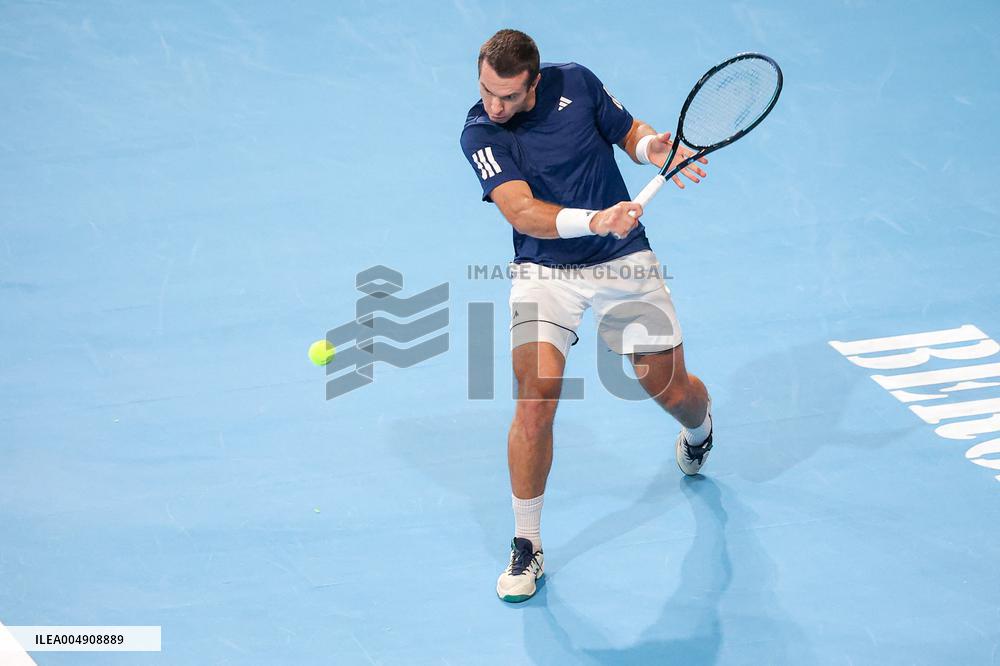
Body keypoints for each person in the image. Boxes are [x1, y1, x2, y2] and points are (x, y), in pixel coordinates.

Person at [460, 29, 714, 604]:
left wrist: (657, 151)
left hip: (623, 259)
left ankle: (700, 430)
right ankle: (527, 543)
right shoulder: (479, 131)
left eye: (507, 96)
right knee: (536, 393)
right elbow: (523, 213)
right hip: (543, 269)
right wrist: (595, 220)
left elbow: (631, 133)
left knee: (670, 391)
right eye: (485, 91)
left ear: (535, 81)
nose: (493, 106)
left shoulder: (577, 80)